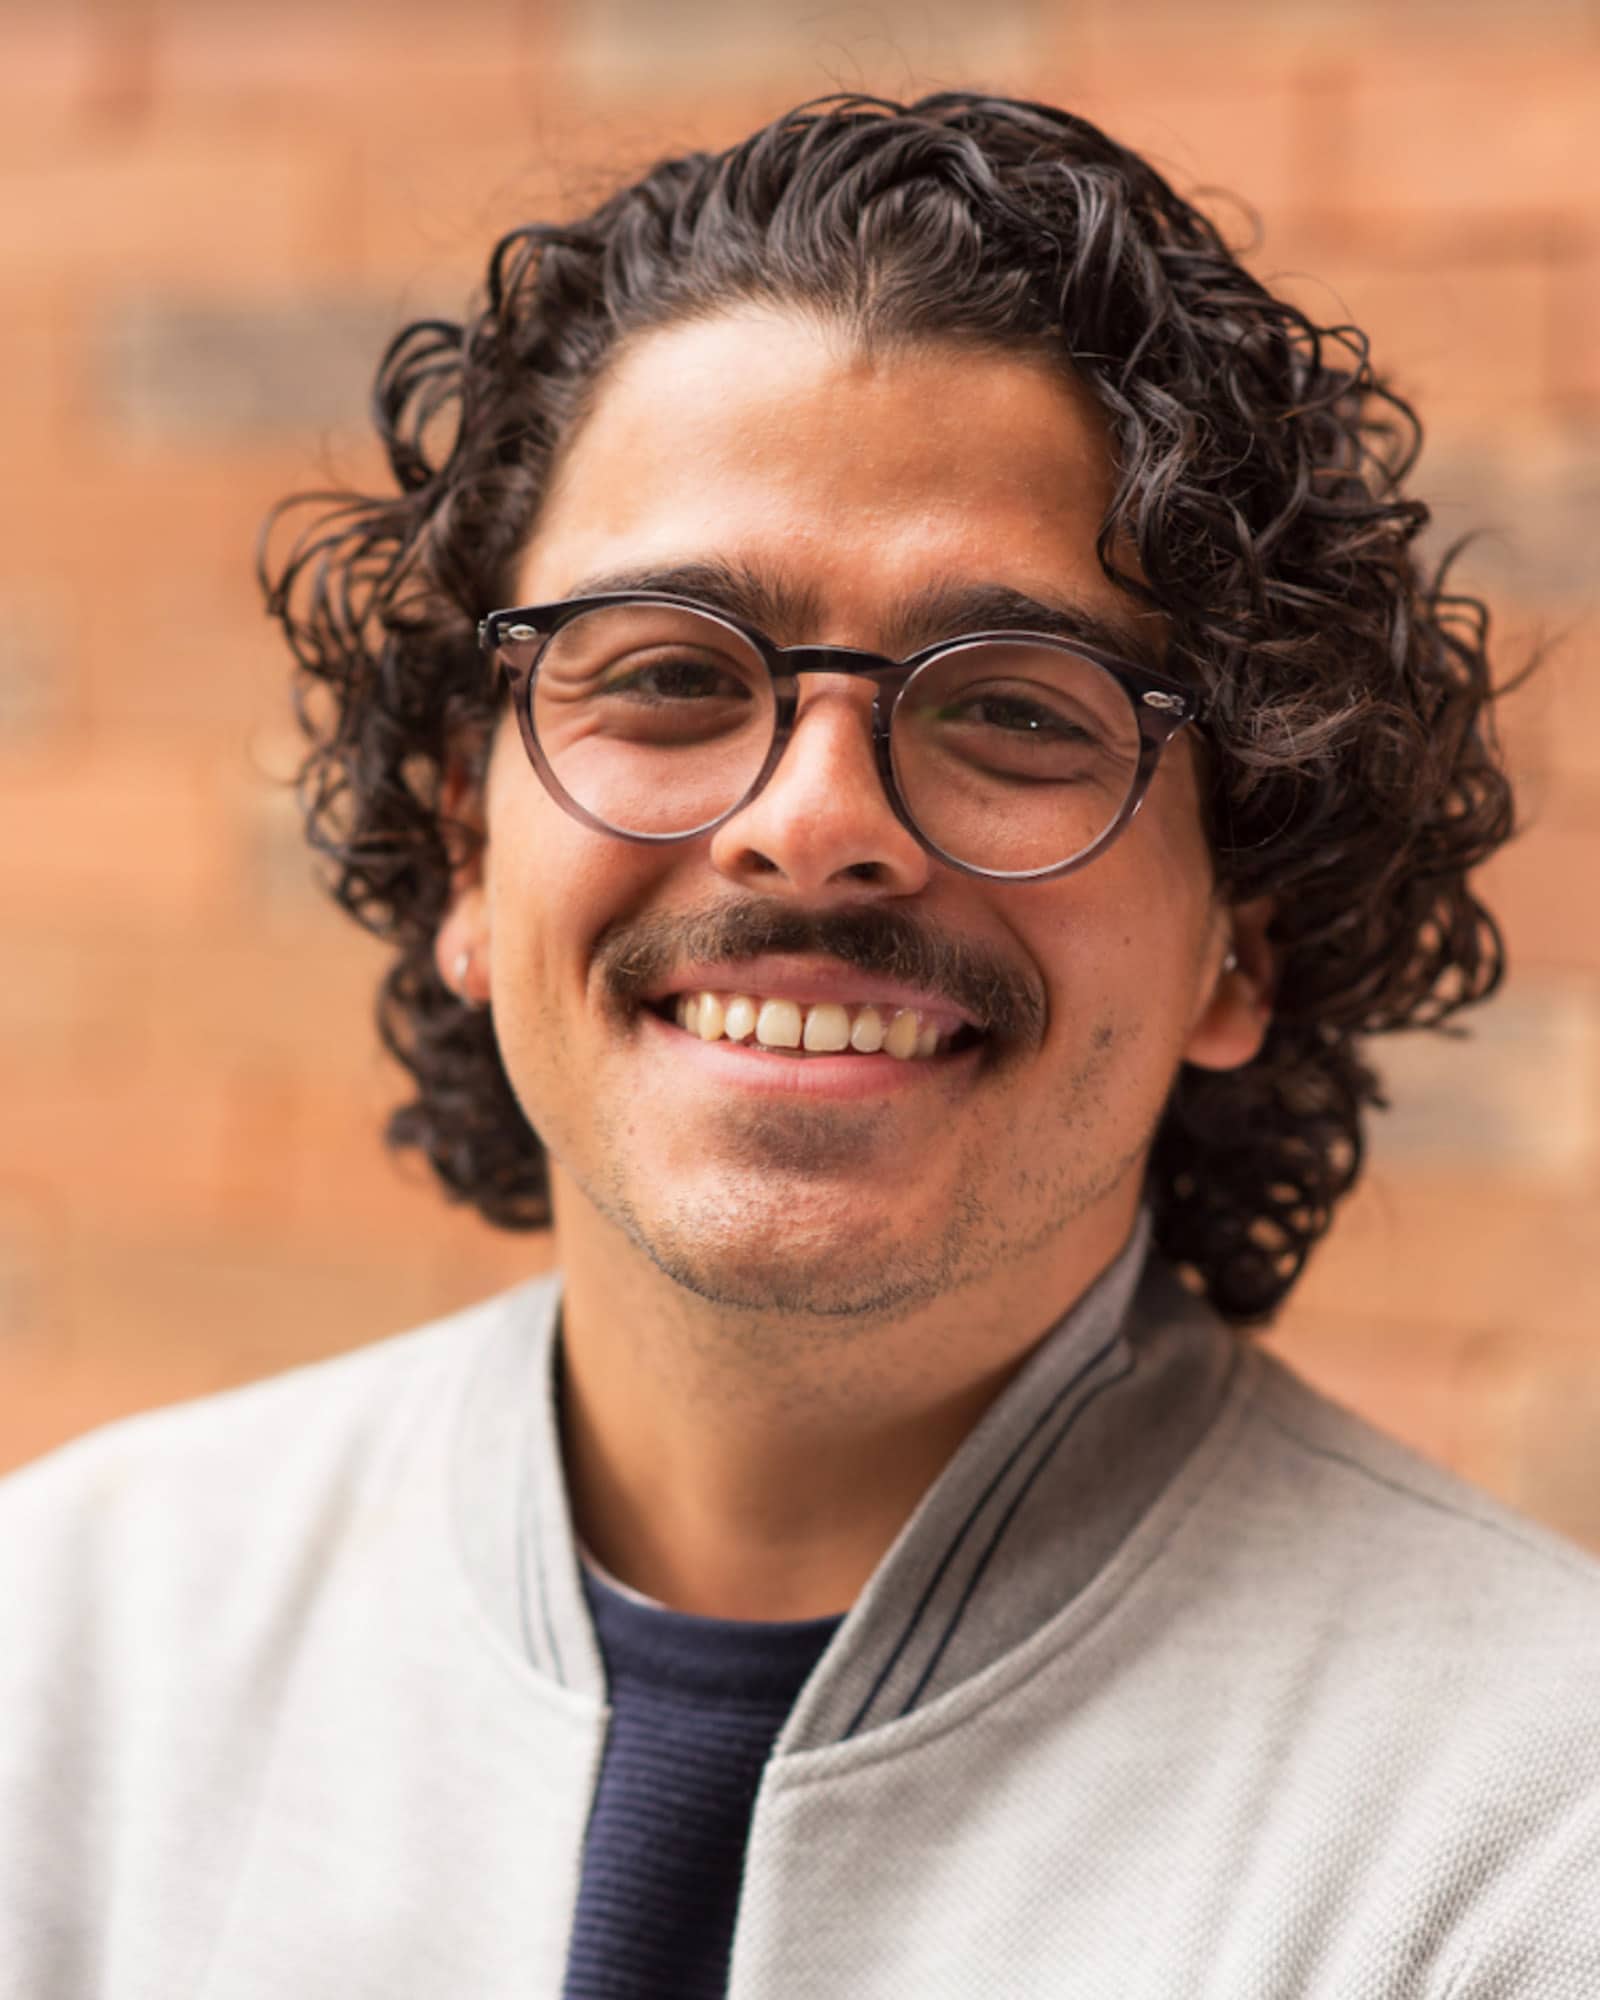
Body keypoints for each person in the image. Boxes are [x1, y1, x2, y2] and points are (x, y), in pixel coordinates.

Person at [2, 91, 1595, 2000]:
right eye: (672, 672)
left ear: (1240, 936)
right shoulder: (73, 1660)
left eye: (1015, 708)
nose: (816, 817)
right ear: (462, 838)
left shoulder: (1518, 1849)